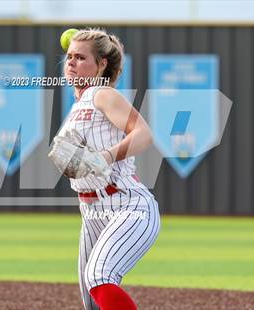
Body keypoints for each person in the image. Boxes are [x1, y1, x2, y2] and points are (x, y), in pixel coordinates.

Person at [56, 28, 160, 310]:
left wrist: (106, 155)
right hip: (91, 213)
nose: (71, 62)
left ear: (102, 65)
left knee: (99, 276)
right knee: (92, 301)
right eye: (69, 57)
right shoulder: (77, 107)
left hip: (128, 205)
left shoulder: (101, 94)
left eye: (80, 57)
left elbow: (143, 133)